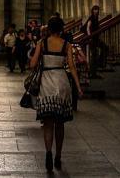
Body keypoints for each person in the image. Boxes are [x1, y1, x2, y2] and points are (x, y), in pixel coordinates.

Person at [30, 16, 83, 172]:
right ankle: (58, 156)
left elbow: (32, 64)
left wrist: (38, 60)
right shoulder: (66, 45)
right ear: (61, 29)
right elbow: (72, 67)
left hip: (46, 82)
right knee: (60, 124)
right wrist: (78, 87)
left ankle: (48, 152)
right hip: (61, 82)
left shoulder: (42, 43)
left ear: (49, 29)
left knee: (48, 124)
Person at [84, 5, 103, 78]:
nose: (96, 11)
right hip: (92, 38)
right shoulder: (91, 18)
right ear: (92, 10)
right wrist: (90, 37)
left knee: (104, 48)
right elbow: (88, 28)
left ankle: (99, 64)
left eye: (97, 10)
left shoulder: (96, 18)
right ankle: (92, 72)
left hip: (96, 38)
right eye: (95, 10)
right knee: (94, 55)